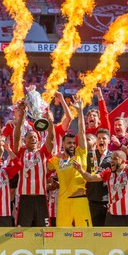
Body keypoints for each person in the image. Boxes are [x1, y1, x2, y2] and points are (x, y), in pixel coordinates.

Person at [48, 96, 92, 227]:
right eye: (69, 143)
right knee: (62, 235)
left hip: (80, 200)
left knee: (86, 233)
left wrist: (79, 112)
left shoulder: (81, 153)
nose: (72, 145)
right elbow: (45, 167)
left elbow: (82, 132)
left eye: (73, 143)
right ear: (63, 144)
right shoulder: (56, 159)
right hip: (63, 202)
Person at [13, 103, 55, 227]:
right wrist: (21, 116)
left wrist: (50, 121)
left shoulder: (42, 153)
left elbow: (51, 138)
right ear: (25, 141)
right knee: (22, 230)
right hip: (24, 198)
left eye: (35, 137)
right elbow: (16, 137)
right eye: (30, 137)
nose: (33, 139)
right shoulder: (21, 152)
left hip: (41, 197)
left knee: (43, 230)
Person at [74, 150, 128, 226]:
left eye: (115, 159)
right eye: (111, 159)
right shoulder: (108, 173)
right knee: (109, 237)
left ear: (123, 161)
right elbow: (91, 178)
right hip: (112, 216)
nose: (112, 161)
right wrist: (80, 170)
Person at [86, 129, 112, 226]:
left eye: (104, 138)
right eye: (99, 138)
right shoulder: (89, 155)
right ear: (96, 141)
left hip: (107, 199)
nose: (101, 140)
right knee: (93, 229)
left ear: (109, 141)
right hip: (91, 198)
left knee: (106, 230)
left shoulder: (113, 156)